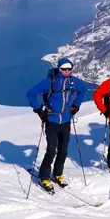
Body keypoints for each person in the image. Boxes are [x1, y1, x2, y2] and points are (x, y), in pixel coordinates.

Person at [25, 57, 87, 193]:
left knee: (63, 150)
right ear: (59, 69)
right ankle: (44, 177)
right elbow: (31, 94)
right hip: (52, 121)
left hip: (65, 121)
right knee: (51, 150)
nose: (66, 71)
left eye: (69, 69)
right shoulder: (50, 82)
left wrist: (76, 105)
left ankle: (58, 174)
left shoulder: (73, 82)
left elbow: (83, 89)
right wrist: (38, 110)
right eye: (63, 69)